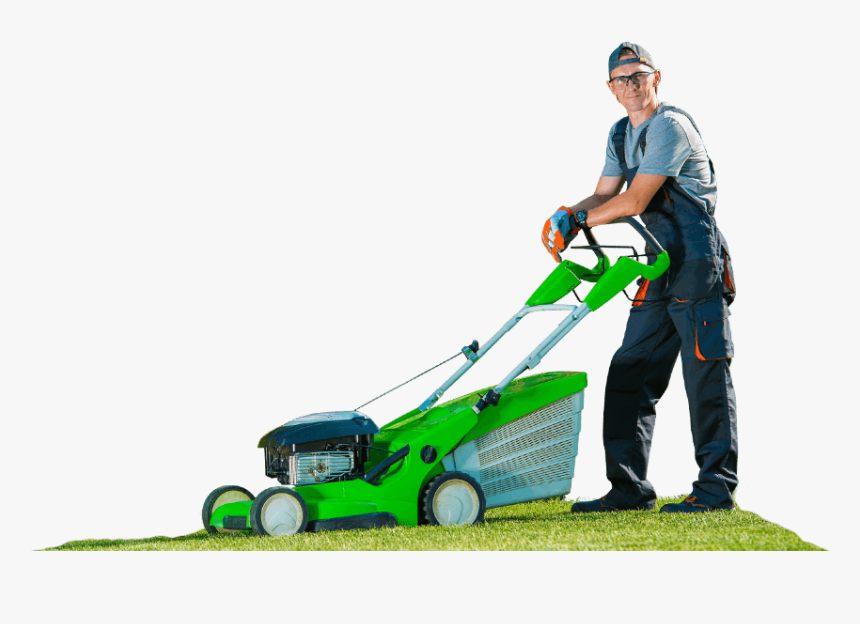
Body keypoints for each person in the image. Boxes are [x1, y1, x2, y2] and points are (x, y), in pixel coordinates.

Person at [541, 43, 737, 513]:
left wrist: (585, 222)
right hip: (656, 263)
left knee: (704, 373)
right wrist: (568, 214)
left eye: (637, 75)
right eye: (620, 79)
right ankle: (628, 487)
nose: (629, 85)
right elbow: (604, 194)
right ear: (610, 89)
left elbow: (634, 201)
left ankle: (714, 490)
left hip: (695, 263)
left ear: (657, 78)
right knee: (631, 368)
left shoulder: (670, 125)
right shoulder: (618, 134)